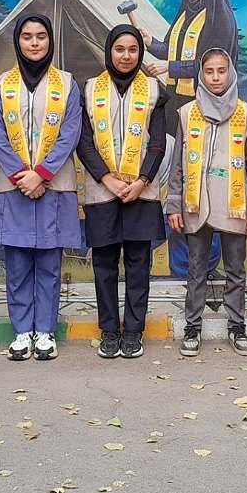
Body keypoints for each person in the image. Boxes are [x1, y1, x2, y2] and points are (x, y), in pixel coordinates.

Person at [0, 14, 84, 362]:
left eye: (41, 36)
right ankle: (21, 331)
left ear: (50, 41)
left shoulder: (67, 84)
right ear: (18, 41)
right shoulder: (1, 84)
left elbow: (71, 132)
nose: (34, 43)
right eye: (27, 37)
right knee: (17, 263)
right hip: (13, 186)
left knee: (48, 263)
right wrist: (22, 175)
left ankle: (44, 331)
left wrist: (41, 174)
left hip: (54, 185)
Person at [165, 48, 247, 358]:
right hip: (197, 203)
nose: (216, 77)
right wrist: (174, 203)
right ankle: (192, 327)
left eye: (221, 71)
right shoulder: (187, 113)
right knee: (196, 268)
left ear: (230, 73)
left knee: (236, 268)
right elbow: (178, 164)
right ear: (201, 75)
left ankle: (237, 326)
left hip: (233, 202)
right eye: (209, 71)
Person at [76, 26, 168, 359]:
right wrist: (107, 179)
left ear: (140, 53)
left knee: (138, 264)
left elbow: (158, 144)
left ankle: (133, 331)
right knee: (104, 264)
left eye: (132, 50)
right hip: (103, 191)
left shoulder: (155, 90)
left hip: (141, 191)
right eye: (119, 49)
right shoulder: (89, 89)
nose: (126, 56)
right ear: (109, 51)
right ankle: (110, 331)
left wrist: (142, 180)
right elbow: (83, 143)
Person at [143, 0, 237, 277]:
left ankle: (208, 264)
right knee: (178, 182)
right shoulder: (186, 14)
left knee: (204, 182)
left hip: (205, 109)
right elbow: (172, 50)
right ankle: (179, 261)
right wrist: (151, 43)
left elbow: (210, 65)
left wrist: (169, 67)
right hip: (176, 107)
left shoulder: (220, 19)